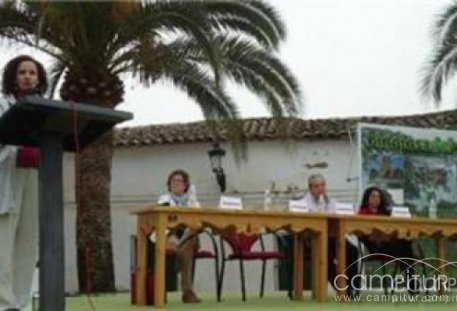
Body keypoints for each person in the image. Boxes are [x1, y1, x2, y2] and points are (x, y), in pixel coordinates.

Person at [0, 55, 47, 311]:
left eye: (32, 72)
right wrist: (16, 151)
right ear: (13, 77)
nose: (28, 76)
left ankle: (22, 303)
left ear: (39, 78)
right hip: (7, 174)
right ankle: (4, 304)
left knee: (28, 244)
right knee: (3, 245)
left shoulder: (44, 108)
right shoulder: (2, 103)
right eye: (22, 72)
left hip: (35, 175)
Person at [301, 174, 360, 296]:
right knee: (326, 256)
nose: (320, 189)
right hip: (313, 240)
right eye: (317, 186)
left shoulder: (331, 202)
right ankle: (342, 289)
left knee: (352, 250)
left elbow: (341, 214)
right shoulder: (303, 203)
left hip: (332, 237)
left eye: (323, 185)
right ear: (310, 188)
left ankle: (351, 286)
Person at [358, 186, 418, 293]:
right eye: (373, 196)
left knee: (405, 243)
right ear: (367, 198)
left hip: (389, 244)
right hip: (374, 246)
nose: (376, 199)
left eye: (378, 197)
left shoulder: (385, 213)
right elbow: (363, 234)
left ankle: (411, 280)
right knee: (405, 249)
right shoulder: (363, 213)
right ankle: (411, 280)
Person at [155, 169, 201, 303]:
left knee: (190, 233)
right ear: (169, 184)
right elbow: (163, 221)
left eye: (179, 180)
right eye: (173, 180)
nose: (175, 183)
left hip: (189, 236)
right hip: (171, 235)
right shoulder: (163, 200)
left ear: (185, 185)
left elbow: (199, 220)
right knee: (182, 246)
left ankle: (177, 259)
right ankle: (188, 292)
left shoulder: (193, 201)